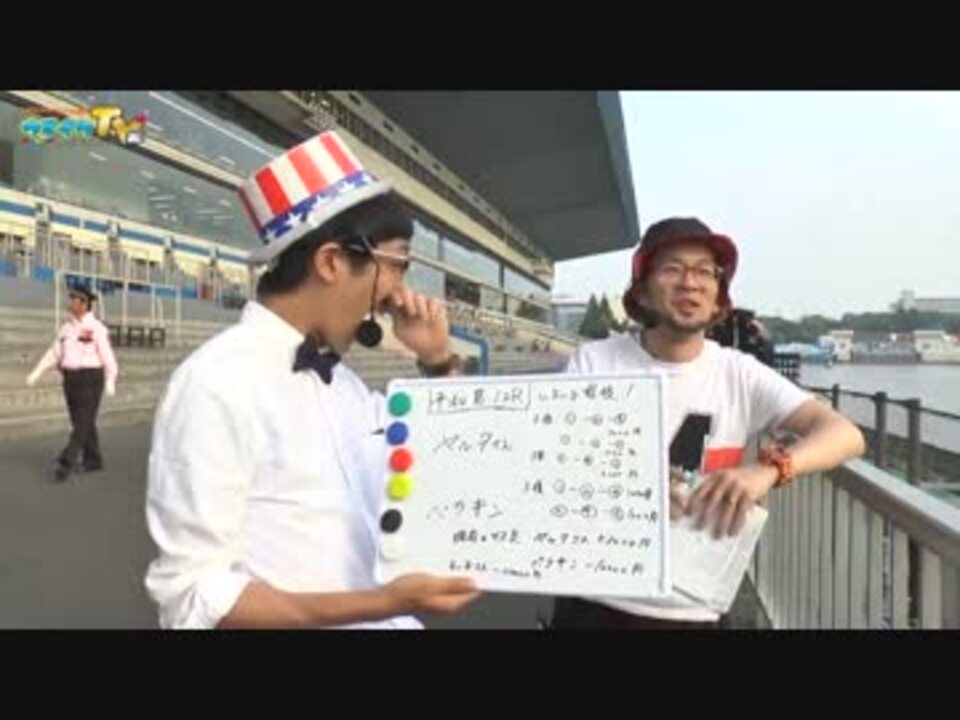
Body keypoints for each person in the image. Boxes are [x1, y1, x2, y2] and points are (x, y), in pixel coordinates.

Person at [144, 131, 478, 629]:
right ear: (330, 262)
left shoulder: (347, 388)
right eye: (398, 266)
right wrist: (385, 602)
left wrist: (436, 360)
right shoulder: (216, 382)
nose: (399, 294)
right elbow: (196, 597)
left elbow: (429, 464)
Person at [550, 217, 865, 629]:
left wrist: (768, 470)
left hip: (696, 606)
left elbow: (845, 435)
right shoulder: (595, 362)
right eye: (672, 269)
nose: (690, 283)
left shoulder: (740, 373)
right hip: (595, 595)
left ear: (718, 297)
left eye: (705, 272)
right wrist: (627, 488)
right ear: (641, 291)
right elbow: (554, 461)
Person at [27, 284, 118, 482]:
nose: (71, 303)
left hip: (91, 378)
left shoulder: (97, 329)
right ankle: (93, 460)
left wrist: (110, 379)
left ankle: (67, 460)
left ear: (85, 304)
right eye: (72, 299)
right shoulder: (66, 329)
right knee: (81, 421)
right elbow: (54, 354)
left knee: (83, 422)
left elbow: (108, 357)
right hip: (70, 379)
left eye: (75, 300)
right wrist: (37, 372)